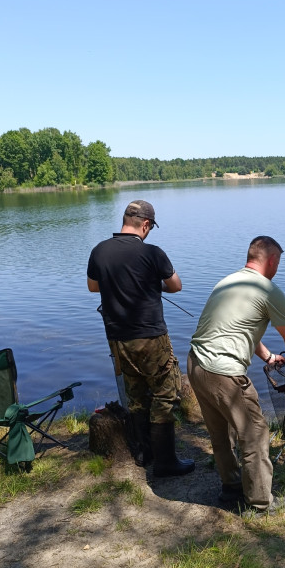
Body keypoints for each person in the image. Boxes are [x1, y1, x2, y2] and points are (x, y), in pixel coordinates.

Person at [187, 236, 285, 518]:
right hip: (223, 373)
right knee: (255, 433)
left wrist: (267, 357)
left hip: (196, 365)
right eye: (279, 262)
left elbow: (240, 328)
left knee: (220, 432)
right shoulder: (269, 290)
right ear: (273, 260)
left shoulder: (228, 282)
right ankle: (260, 504)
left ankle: (230, 488)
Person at [87, 200, 195, 477]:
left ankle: (143, 452)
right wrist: (152, 283)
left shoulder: (99, 251)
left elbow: (93, 287)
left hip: (118, 338)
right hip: (150, 337)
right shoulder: (152, 253)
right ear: (145, 224)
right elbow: (176, 285)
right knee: (165, 394)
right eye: (150, 228)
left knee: (136, 395)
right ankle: (166, 462)